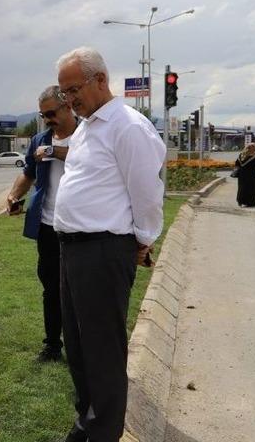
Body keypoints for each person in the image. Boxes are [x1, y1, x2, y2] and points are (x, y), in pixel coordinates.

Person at [53, 47, 166, 442]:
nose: (69, 99)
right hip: (74, 251)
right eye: (64, 92)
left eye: (73, 89)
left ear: (100, 79)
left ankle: (102, 432)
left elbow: (148, 193)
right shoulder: (87, 126)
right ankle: (88, 420)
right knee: (79, 346)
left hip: (103, 251)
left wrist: (143, 240)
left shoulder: (128, 126)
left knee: (102, 350)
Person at [7, 85, 78, 363]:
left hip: (80, 228)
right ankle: (52, 345)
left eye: (51, 113)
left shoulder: (88, 135)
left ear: (68, 106)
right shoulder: (40, 139)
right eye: (43, 114)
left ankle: (81, 345)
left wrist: (54, 151)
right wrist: (14, 195)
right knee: (50, 288)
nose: (48, 119)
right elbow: (28, 174)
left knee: (79, 290)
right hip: (49, 227)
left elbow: (94, 161)